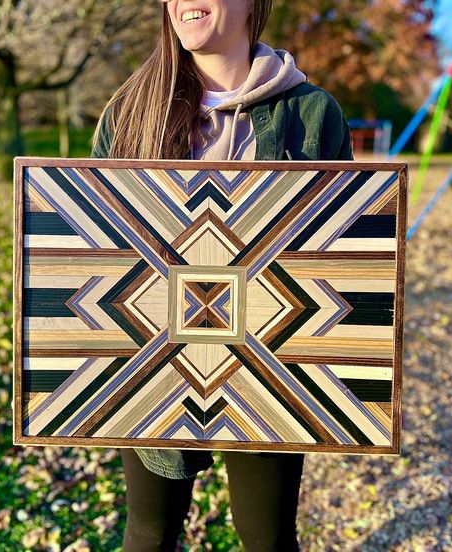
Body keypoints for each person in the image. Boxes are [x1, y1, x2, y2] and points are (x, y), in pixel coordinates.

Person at [90, 0, 353, 550]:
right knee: (148, 533)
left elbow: (341, 260)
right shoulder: (129, 111)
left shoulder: (311, 113)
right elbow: (97, 254)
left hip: (271, 364)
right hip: (154, 357)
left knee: (267, 538)